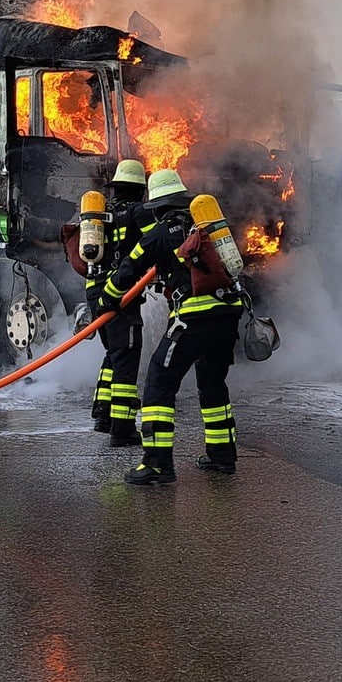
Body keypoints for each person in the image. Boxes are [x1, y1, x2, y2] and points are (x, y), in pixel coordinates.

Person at [93, 169, 244, 485]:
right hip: (229, 314)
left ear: (157, 207)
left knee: (159, 383)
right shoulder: (203, 226)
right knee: (213, 384)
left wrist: (106, 301)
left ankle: (158, 464)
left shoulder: (160, 234)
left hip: (193, 318)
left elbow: (127, 271)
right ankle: (222, 458)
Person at [86, 158, 155, 446]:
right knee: (126, 355)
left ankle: (103, 414)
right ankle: (123, 429)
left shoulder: (103, 215)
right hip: (119, 293)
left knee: (113, 353)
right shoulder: (139, 212)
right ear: (140, 190)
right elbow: (158, 244)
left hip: (94, 290)